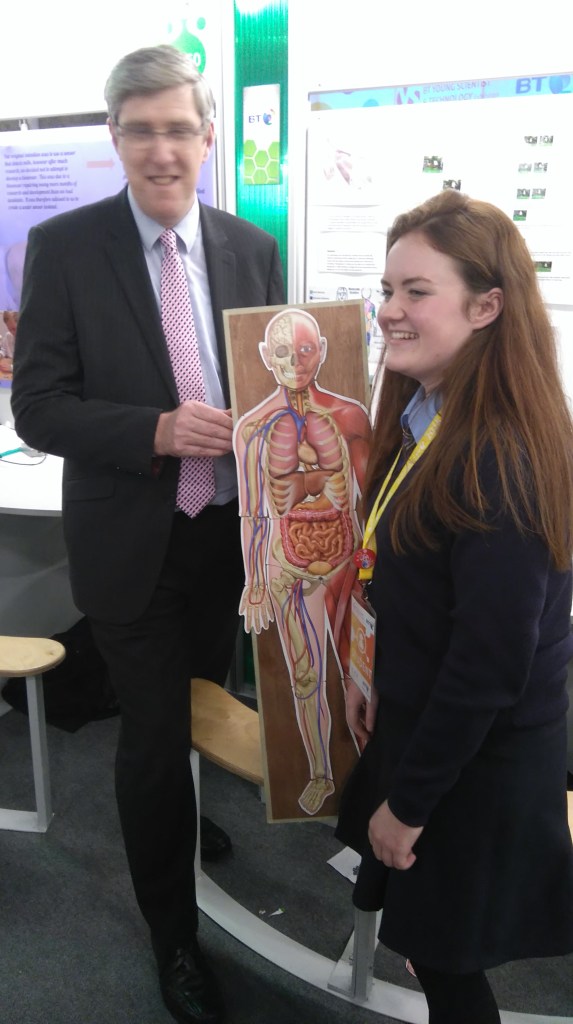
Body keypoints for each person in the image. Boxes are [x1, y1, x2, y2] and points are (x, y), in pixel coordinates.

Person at [12, 44, 285, 1024]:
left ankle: (179, 816)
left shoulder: (251, 248)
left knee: (205, 704)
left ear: (208, 136)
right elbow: (39, 408)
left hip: (226, 539)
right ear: (116, 139)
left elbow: (276, 387)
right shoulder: (67, 247)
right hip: (133, 539)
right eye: (141, 131)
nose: (161, 149)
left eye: (178, 128)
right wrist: (155, 431)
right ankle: (175, 941)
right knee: (155, 734)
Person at [336, 189, 573, 1023]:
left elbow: (488, 665)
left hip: (474, 768)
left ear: (485, 306)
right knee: (429, 947)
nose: (389, 311)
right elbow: (413, 588)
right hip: (432, 728)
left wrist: (406, 807)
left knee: (443, 961)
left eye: (415, 292)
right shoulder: (427, 415)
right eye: (386, 289)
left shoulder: (494, 454)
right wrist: (373, 673)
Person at [234, 307, 370, 815]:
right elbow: (252, 510)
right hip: (287, 563)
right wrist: (254, 580)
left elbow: (371, 500)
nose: (296, 361)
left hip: (343, 561)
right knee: (307, 677)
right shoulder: (252, 429)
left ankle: (367, 781)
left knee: (361, 675)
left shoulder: (350, 415)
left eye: (306, 350)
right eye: (285, 352)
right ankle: (319, 772)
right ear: (268, 357)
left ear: (323, 352)